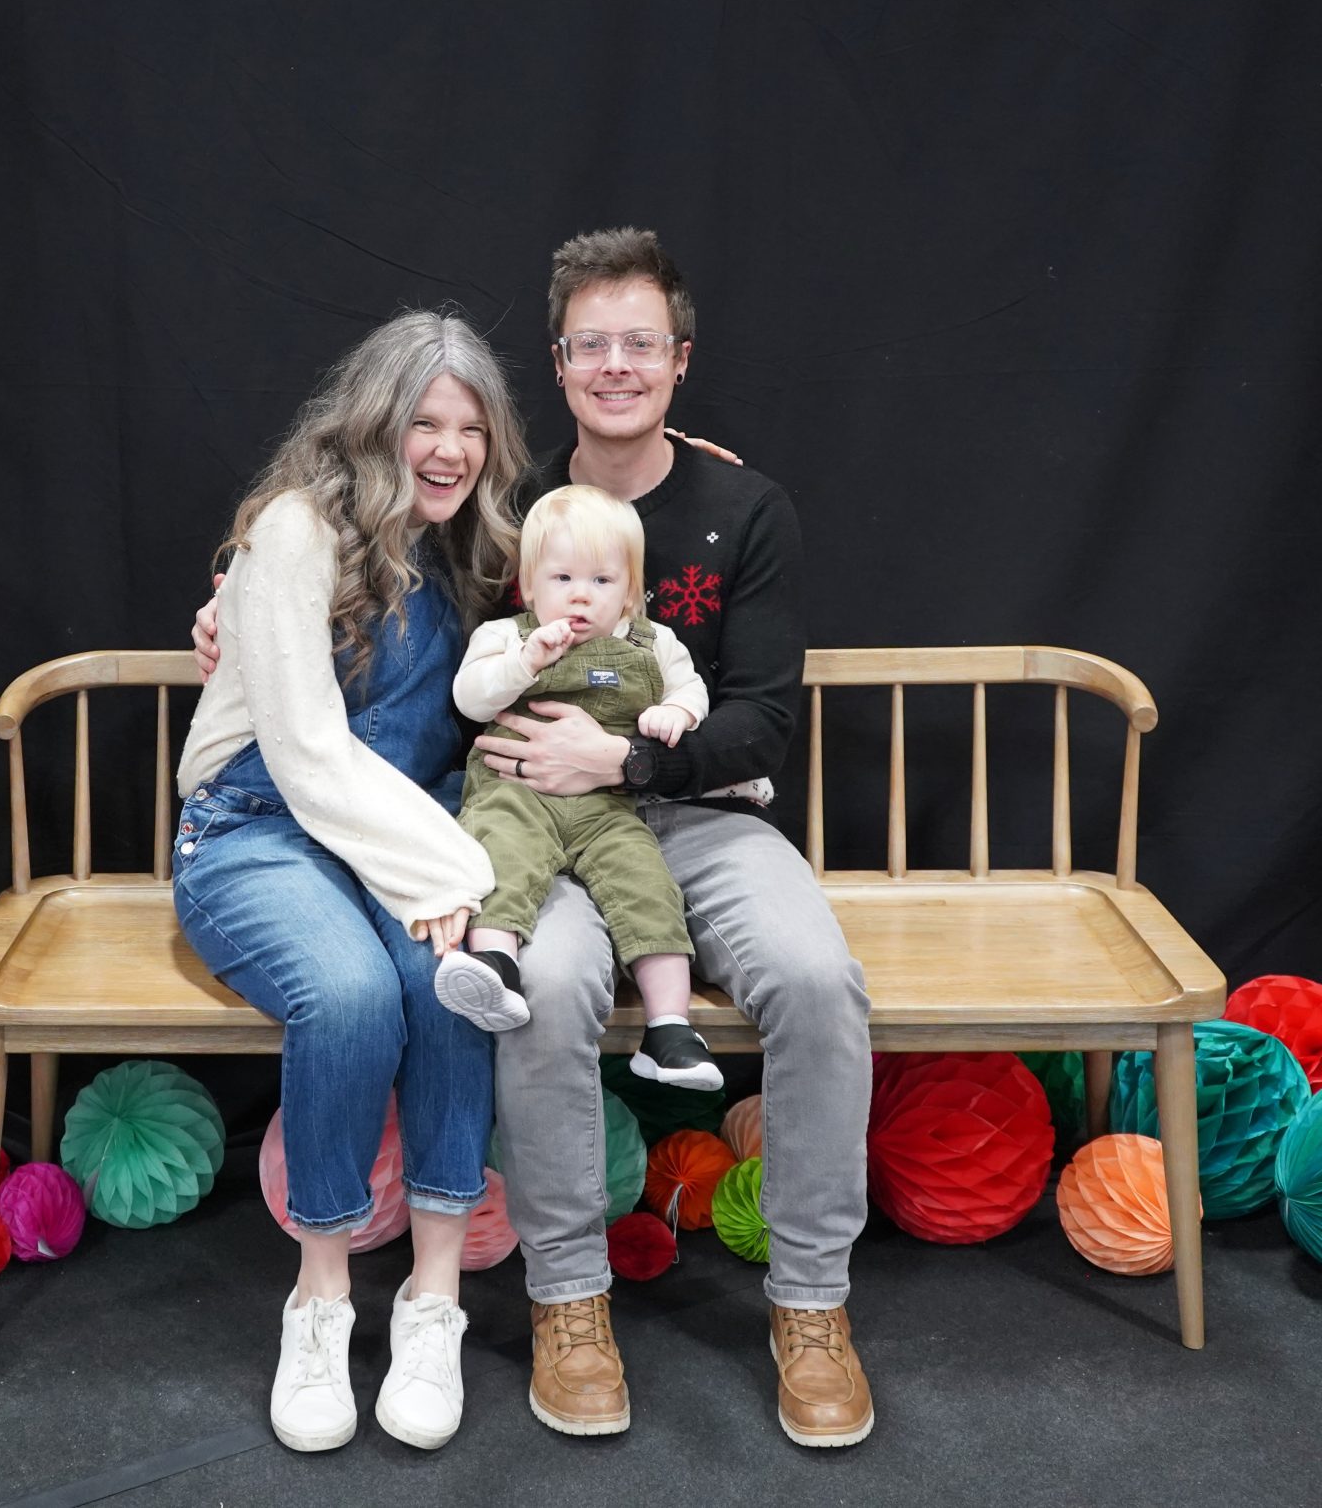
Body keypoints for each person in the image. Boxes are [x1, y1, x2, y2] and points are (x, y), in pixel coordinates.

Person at [196, 231, 875, 1449]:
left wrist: (627, 761)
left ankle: (813, 1305)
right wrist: (231, 607)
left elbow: (766, 718)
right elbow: (352, 606)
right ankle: (565, 1302)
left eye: (641, 345)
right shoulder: (510, 512)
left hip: (695, 814)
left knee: (818, 977)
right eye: (591, 346)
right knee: (529, 983)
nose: (617, 367)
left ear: (679, 359)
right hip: (519, 824)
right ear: (558, 366)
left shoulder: (740, 507)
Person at [171, 310, 529, 1455]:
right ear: (373, 422)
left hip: (394, 831)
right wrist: (456, 871)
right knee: (351, 992)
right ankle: (320, 1298)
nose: (449, 449)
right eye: (425, 422)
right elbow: (307, 754)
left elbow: (602, 561)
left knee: (445, 985)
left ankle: (433, 1299)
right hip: (257, 826)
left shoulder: (475, 546)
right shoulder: (294, 531)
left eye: (471, 428)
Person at [432, 484, 725, 1094]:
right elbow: (470, 698)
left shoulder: (654, 643)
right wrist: (524, 663)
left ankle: (670, 1029)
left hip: (607, 807)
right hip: (516, 793)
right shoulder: (505, 636)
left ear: (630, 591)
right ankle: (495, 965)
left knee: (647, 883)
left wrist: (676, 713)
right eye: (562, 578)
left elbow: (692, 689)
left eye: (602, 580)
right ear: (529, 585)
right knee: (498, 853)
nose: (581, 595)